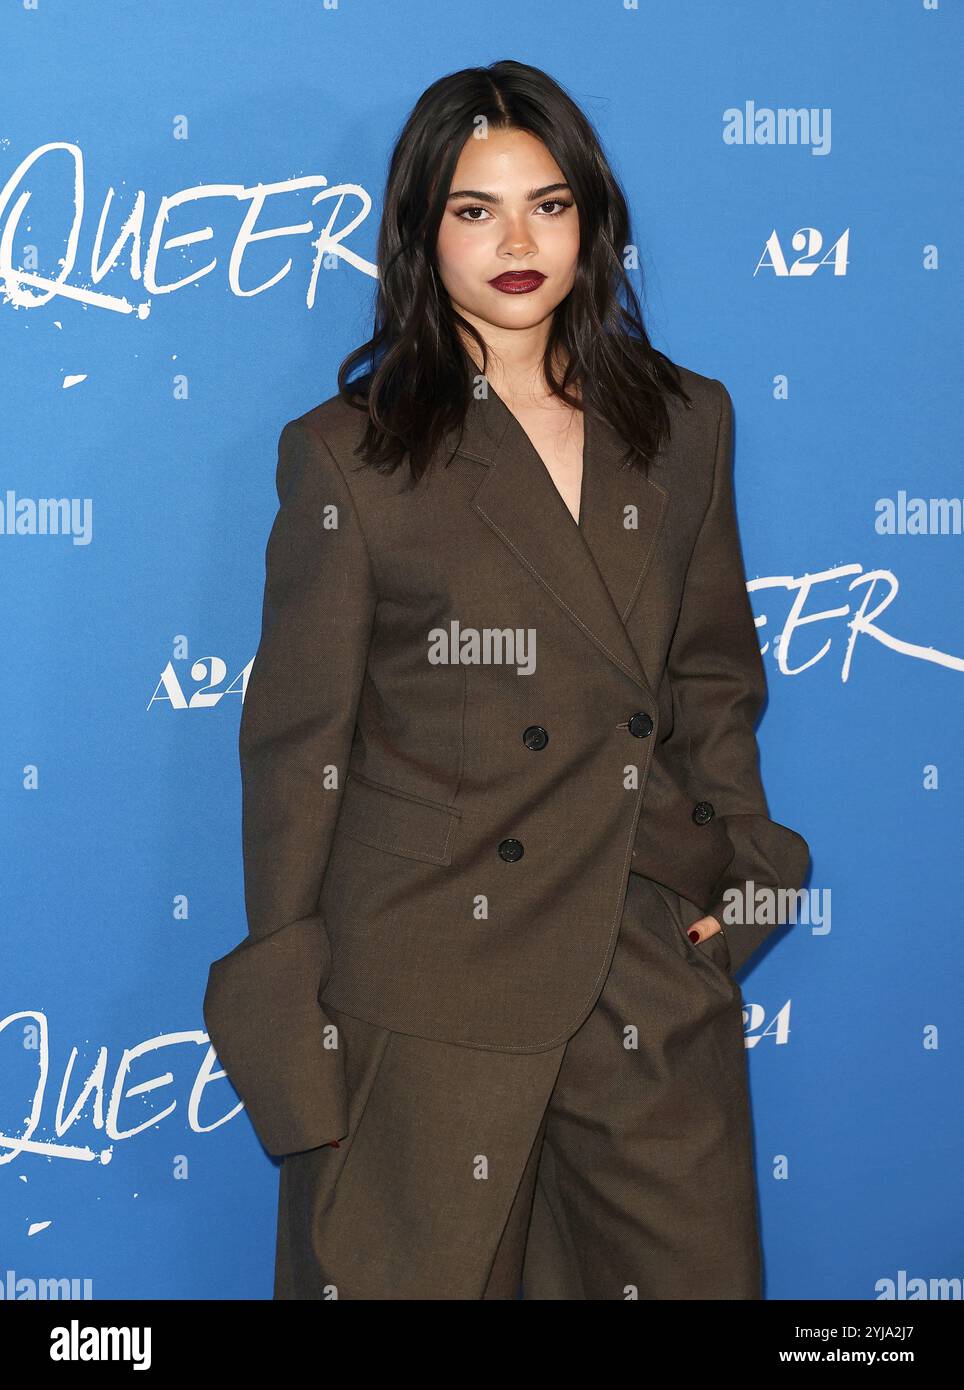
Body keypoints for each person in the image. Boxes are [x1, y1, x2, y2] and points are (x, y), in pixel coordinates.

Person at [203, 59, 810, 1301]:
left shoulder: (688, 422)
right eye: (475, 210)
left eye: (549, 203)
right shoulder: (351, 457)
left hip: (641, 971)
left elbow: (713, 678)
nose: (518, 241)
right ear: (424, 236)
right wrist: (290, 1009)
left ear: (593, 221)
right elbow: (296, 755)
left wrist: (746, 882)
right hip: (422, 994)